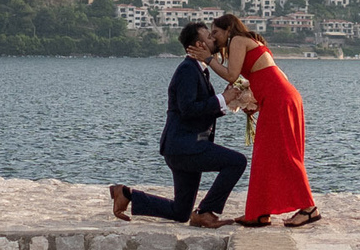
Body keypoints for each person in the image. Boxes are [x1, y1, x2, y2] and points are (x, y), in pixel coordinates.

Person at [108, 21, 246, 227]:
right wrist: (221, 99)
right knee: (236, 162)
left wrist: (227, 102)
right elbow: (188, 109)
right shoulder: (187, 70)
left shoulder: (199, 70)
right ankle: (205, 212)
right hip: (185, 147)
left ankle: (126, 194)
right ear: (199, 45)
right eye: (209, 37)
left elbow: (197, 109)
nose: (214, 39)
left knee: (180, 212)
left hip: (181, 147)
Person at [208, 12, 320, 228]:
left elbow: (232, 75)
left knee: (285, 153)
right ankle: (260, 212)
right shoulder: (251, 41)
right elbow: (272, 75)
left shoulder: (238, 40)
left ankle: (309, 209)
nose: (213, 37)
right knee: (264, 155)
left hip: (279, 100)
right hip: (279, 98)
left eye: (216, 32)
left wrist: (208, 59)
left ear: (228, 30)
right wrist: (256, 103)